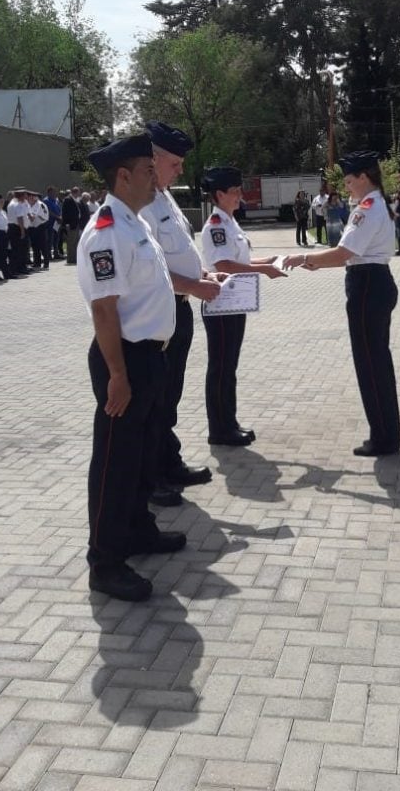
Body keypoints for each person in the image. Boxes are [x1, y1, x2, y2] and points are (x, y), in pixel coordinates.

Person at [77, 132, 186, 603]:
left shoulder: (134, 224)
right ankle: (105, 561)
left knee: (140, 458)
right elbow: (104, 310)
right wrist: (118, 376)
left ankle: (139, 529)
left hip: (148, 357)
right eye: (148, 170)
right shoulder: (106, 230)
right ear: (123, 175)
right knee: (115, 464)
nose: (155, 180)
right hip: (123, 359)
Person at [283, 150, 400, 458]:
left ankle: (384, 438)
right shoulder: (375, 204)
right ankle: (387, 433)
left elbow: (342, 252)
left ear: (364, 177)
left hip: (367, 285)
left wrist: (304, 258)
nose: (346, 187)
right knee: (378, 362)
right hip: (375, 281)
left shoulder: (368, 207)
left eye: (349, 181)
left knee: (370, 365)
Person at [141, 121, 220, 508]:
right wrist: (193, 285)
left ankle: (168, 462)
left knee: (169, 396)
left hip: (181, 308)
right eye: (175, 163)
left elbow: (180, 251)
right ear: (153, 159)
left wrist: (200, 275)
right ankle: (151, 476)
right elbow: (152, 269)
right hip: (162, 310)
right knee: (155, 398)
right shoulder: (140, 204)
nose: (180, 170)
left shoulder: (165, 197)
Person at [200, 166, 286, 445]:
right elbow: (224, 265)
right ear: (219, 194)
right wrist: (263, 271)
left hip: (235, 303)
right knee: (221, 367)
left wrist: (270, 260)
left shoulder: (230, 222)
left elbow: (241, 261)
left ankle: (229, 421)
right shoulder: (216, 226)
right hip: (221, 303)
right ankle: (219, 429)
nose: (240, 195)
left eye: (239, 190)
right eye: (234, 191)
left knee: (229, 367)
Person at [6, 188, 30, 277]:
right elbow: (19, 219)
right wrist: (22, 231)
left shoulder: (16, 203)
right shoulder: (16, 204)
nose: (26, 196)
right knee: (17, 250)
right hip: (17, 228)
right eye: (25, 195)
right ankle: (15, 269)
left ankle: (20, 267)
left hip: (17, 228)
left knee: (21, 250)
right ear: (21, 195)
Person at [27, 192, 50, 269]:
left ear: (34, 197)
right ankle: (37, 262)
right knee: (35, 246)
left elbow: (34, 217)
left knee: (42, 245)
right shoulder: (30, 204)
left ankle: (46, 263)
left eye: (30, 197)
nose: (28, 199)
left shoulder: (39, 204)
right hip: (32, 227)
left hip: (40, 226)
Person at [62, 186, 84, 264]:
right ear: (75, 192)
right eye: (78, 192)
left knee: (75, 242)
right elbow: (65, 212)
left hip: (76, 223)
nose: (79, 194)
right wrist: (66, 223)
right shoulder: (68, 200)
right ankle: (70, 259)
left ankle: (74, 258)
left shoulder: (76, 200)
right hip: (71, 224)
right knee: (71, 242)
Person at [44, 186, 63, 260]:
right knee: (50, 239)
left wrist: (60, 216)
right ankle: (48, 254)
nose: (54, 193)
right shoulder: (46, 200)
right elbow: (48, 211)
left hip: (57, 223)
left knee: (56, 238)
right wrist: (57, 217)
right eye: (52, 192)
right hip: (50, 223)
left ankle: (56, 253)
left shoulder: (56, 200)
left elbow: (59, 209)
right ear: (48, 192)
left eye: (54, 192)